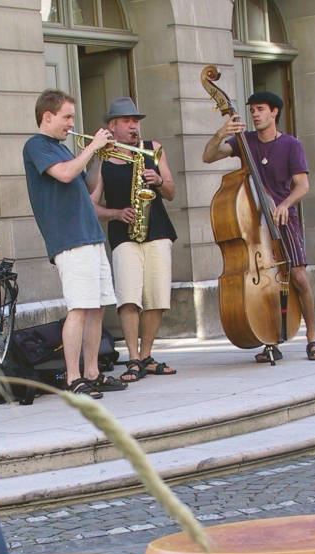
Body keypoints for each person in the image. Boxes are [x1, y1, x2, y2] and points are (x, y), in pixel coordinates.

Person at [202, 91, 315, 362]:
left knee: (299, 277)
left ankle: (313, 337)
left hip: (283, 219)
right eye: (253, 110)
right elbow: (208, 156)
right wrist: (221, 132)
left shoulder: (291, 145)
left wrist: (284, 204)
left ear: (274, 112)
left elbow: (302, 185)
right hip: (254, 222)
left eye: (260, 109)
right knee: (264, 284)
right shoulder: (245, 141)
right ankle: (269, 336)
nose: (255, 114)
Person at [23, 88, 128, 397]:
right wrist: (92, 145)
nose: (71, 123)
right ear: (48, 116)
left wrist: (99, 156)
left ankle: (92, 372)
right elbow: (66, 175)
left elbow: (90, 190)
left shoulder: (66, 149)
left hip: (91, 235)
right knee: (79, 308)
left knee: (97, 308)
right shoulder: (37, 146)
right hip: (69, 239)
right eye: (67, 116)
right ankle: (73, 377)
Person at [90, 97, 178, 382]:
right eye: (127, 121)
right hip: (124, 233)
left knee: (156, 297)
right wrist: (116, 213)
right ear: (112, 126)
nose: (133, 126)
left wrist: (159, 181)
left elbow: (172, 192)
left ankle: (147, 355)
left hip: (158, 230)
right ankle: (133, 358)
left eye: (136, 121)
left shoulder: (153, 150)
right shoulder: (102, 158)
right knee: (129, 298)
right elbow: (91, 205)